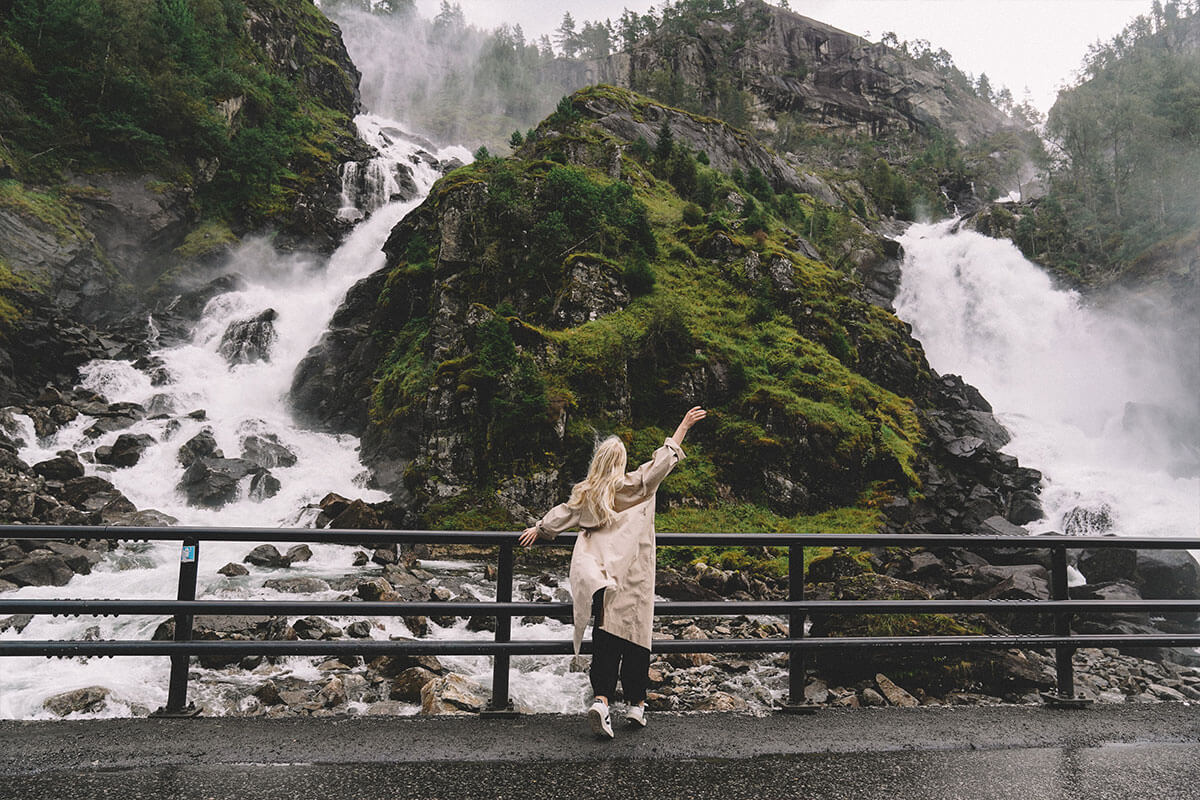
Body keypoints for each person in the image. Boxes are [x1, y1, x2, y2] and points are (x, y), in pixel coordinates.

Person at [519, 406, 707, 739]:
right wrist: (683, 425)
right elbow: (665, 459)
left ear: (598, 462)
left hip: (604, 577)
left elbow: (562, 515)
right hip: (635, 573)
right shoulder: (638, 484)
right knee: (636, 636)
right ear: (621, 462)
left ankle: (602, 700)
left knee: (606, 637)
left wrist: (539, 528)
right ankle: (636, 704)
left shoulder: (589, 494)